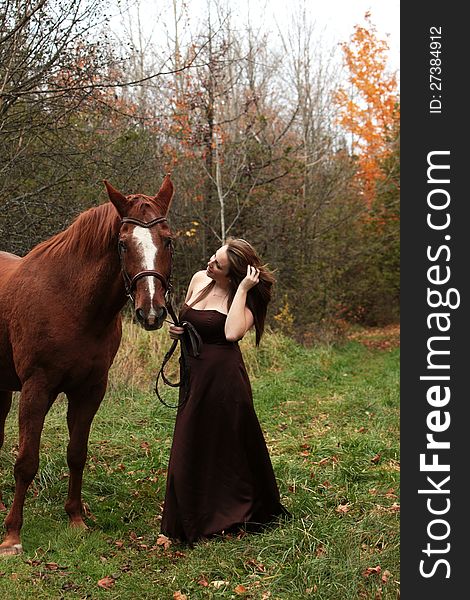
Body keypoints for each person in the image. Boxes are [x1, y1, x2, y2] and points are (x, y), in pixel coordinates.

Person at [160, 237, 289, 543]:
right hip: (194, 373)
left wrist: (242, 290)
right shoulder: (199, 279)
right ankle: (195, 516)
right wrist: (179, 331)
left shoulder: (246, 298)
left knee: (228, 448)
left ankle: (231, 513)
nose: (209, 263)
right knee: (190, 445)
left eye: (217, 264)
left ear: (232, 275)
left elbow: (231, 333)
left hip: (224, 382)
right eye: (213, 256)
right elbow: (189, 315)